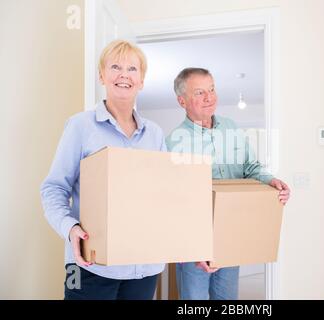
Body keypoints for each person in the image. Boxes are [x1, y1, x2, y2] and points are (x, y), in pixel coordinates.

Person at [40, 40, 166, 300]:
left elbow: (163, 194)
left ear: (141, 80)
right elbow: (54, 188)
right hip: (87, 264)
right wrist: (70, 227)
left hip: (144, 267)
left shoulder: (155, 134)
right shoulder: (80, 126)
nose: (124, 75)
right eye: (115, 67)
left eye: (132, 69)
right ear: (101, 75)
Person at [165, 67, 290, 300]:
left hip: (231, 235)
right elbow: (173, 201)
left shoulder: (231, 128)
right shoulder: (173, 141)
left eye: (212, 89)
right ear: (182, 100)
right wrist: (191, 248)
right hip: (194, 242)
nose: (210, 97)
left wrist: (271, 181)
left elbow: (250, 168)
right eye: (200, 92)